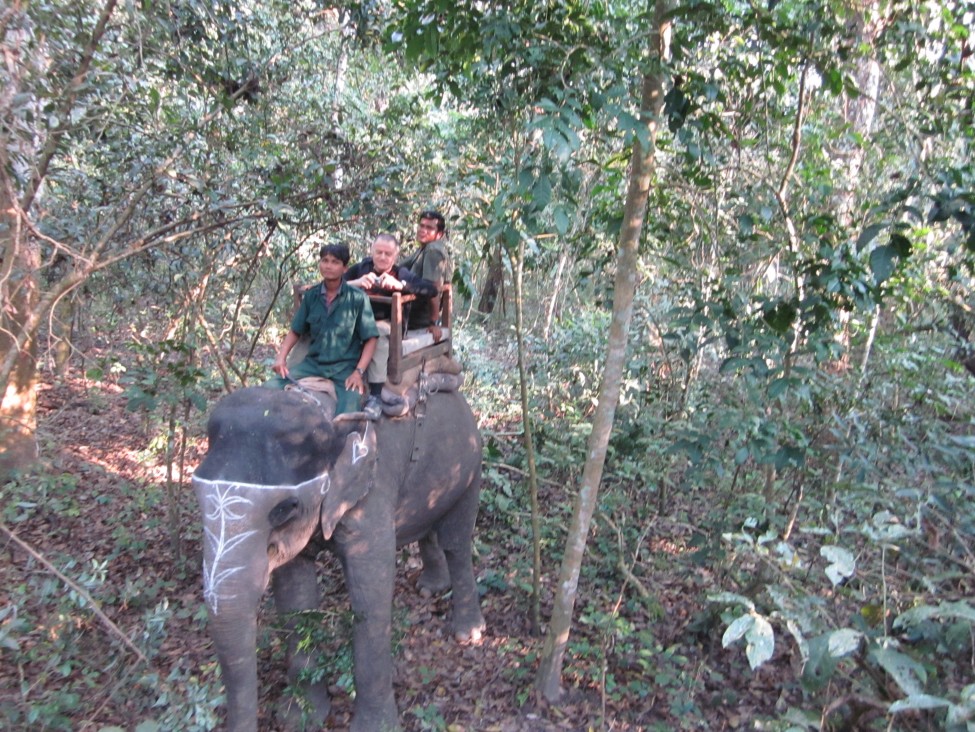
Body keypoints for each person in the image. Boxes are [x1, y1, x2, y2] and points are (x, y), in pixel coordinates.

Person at [267, 243, 381, 417]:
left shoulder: (357, 298)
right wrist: (281, 358)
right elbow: (295, 330)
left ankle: (349, 443)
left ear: (344, 268)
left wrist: (358, 372)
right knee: (267, 389)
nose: (328, 266)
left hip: (344, 368)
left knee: (350, 410)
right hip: (312, 365)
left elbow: (371, 339)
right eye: (325, 260)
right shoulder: (311, 296)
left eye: (335, 262)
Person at [346, 233, 437, 401]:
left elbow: (431, 290)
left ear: (395, 256)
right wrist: (357, 282)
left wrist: (400, 286)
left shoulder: (400, 273)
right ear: (372, 251)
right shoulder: (361, 268)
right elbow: (333, 283)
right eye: (378, 252)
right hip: (357, 320)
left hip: (387, 324)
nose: (382, 257)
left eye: (388, 254)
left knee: (377, 334)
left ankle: (375, 395)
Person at [399, 210, 452, 336]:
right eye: (421, 226)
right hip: (411, 313)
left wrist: (433, 323)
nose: (423, 230)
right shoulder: (424, 248)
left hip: (416, 319)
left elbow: (433, 288)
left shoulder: (433, 250)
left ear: (439, 234)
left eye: (429, 228)